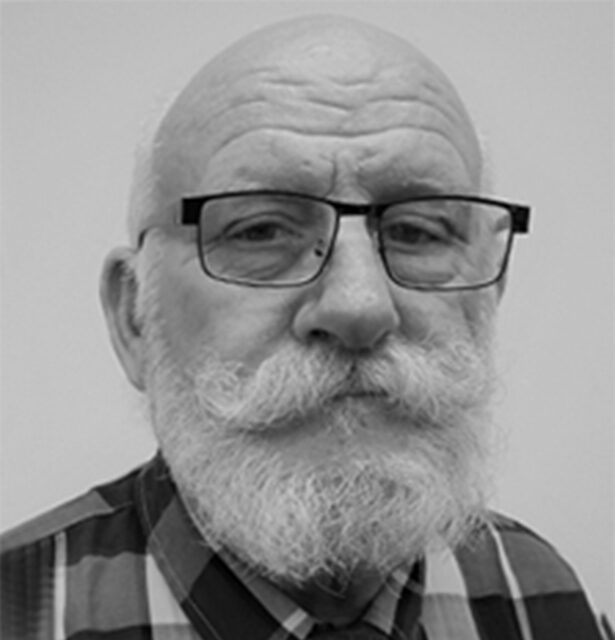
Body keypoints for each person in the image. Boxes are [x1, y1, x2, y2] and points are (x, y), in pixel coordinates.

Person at [1, 15, 608, 640]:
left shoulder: (538, 595)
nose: (359, 307)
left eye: (418, 232)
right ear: (134, 317)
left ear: (490, 294)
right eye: (260, 231)